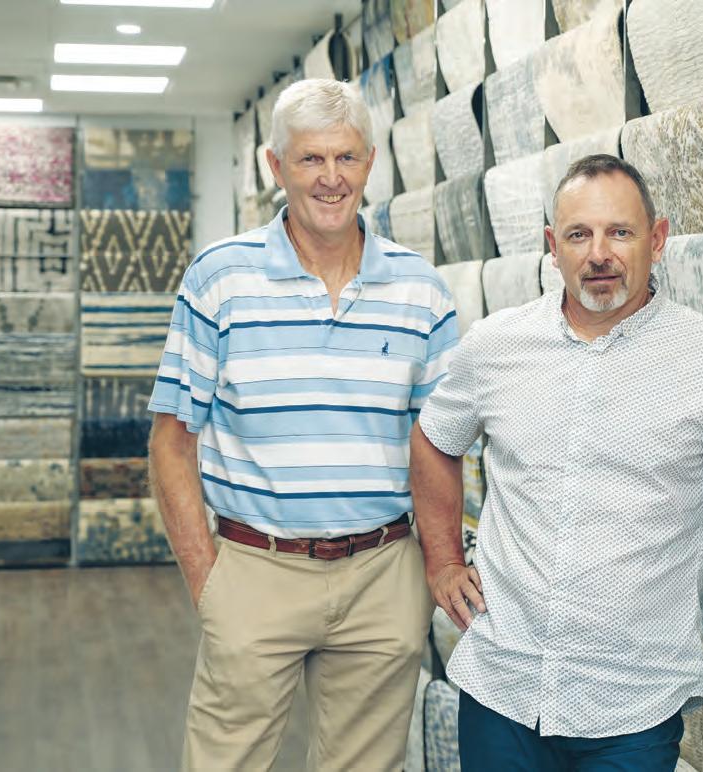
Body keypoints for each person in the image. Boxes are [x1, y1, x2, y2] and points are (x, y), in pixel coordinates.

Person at [409, 154, 703, 771]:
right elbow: (434, 439)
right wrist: (444, 561)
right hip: (503, 682)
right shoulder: (496, 346)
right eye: (578, 235)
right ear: (552, 247)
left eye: (620, 232)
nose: (598, 254)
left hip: (631, 703)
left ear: (656, 240)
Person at [147, 78, 457, 771]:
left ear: (370, 162)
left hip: (383, 574)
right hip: (255, 567)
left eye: (345, 157)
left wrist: (439, 562)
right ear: (275, 166)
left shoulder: (421, 290)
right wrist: (207, 581)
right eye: (310, 158)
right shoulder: (220, 278)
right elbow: (171, 442)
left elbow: (436, 444)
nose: (330, 178)